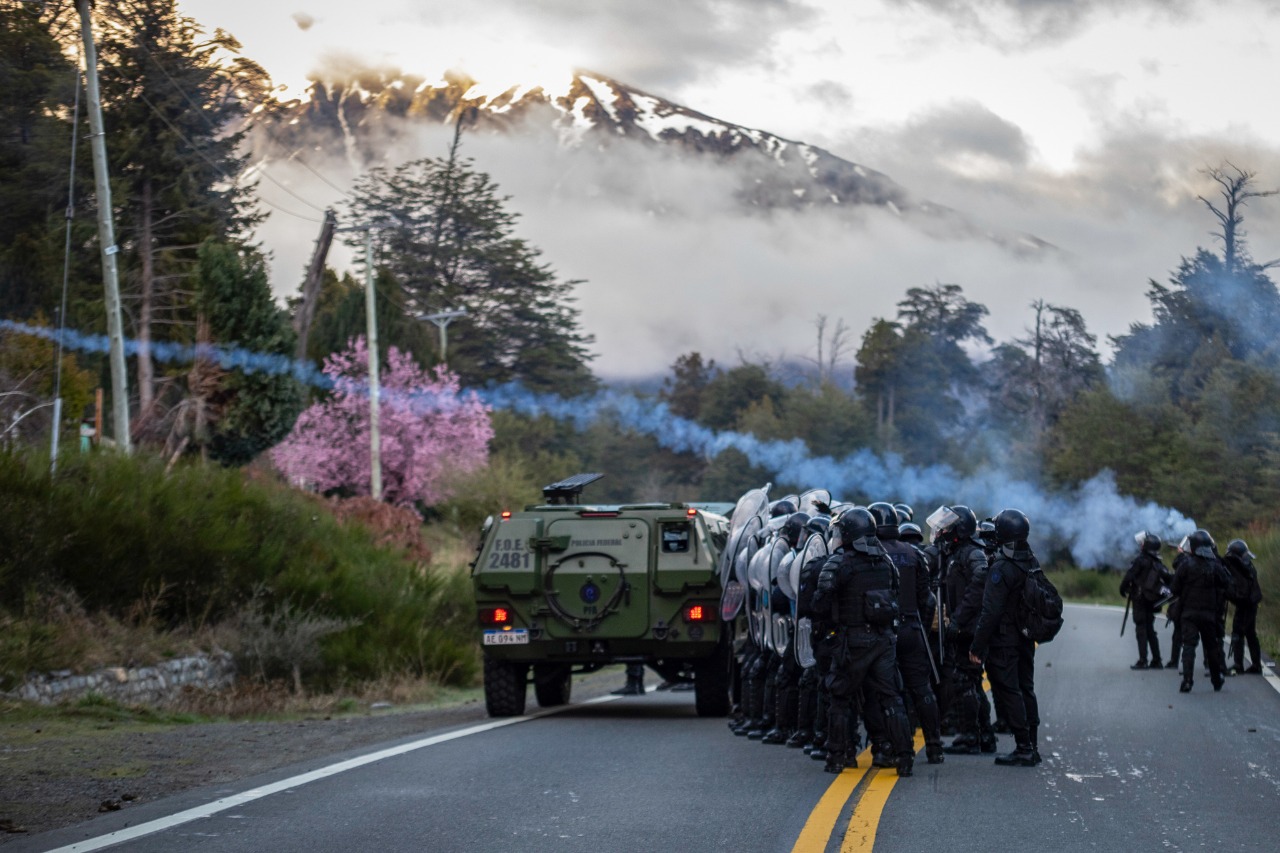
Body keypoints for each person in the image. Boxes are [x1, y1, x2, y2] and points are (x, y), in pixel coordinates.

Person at [812, 508, 914, 776]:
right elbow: (896, 592)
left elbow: (820, 602)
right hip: (883, 641)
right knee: (891, 699)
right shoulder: (885, 561)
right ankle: (904, 757)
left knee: (840, 697)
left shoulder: (841, 562)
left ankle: (838, 756)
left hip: (853, 640)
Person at [870, 502, 944, 765]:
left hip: (884, 633)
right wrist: (918, 623)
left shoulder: (871, 553)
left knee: (887, 693)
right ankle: (935, 746)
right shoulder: (914, 554)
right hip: (912, 628)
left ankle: (894, 748)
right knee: (921, 689)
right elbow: (927, 598)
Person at [970, 508, 1042, 767]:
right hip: (1025, 636)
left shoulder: (1001, 567)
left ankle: (1023, 747)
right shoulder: (1030, 559)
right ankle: (1032, 744)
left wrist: (977, 646)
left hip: (1004, 640)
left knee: (1009, 691)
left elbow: (990, 611)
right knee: (1026, 688)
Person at [933, 505, 996, 755]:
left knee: (965, 681)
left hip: (969, 629)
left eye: (948, 526)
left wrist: (958, 620)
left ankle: (971, 737)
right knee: (970, 681)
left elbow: (979, 584)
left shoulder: (972, 553)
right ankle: (984, 736)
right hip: (966, 626)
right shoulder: (958, 552)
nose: (943, 530)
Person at [1170, 529, 1229, 693]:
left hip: (1189, 613)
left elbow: (1174, 588)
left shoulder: (1185, 564)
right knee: (1212, 647)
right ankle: (1216, 680)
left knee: (1188, 645)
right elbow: (1226, 583)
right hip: (1209, 614)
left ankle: (1187, 681)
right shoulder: (1215, 565)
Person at [1120, 531, 1173, 669]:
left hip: (1140, 600)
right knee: (1150, 630)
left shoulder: (1140, 560)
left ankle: (1143, 660)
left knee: (1141, 630)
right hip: (1152, 601)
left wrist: (1122, 589)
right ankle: (1157, 660)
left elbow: (1129, 577)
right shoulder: (1158, 563)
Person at [1223, 539, 1264, 675]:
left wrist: (1228, 594)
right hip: (1251, 602)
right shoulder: (1247, 564)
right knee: (1250, 633)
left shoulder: (1239, 566)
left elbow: (1238, 590)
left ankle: (1238, 665)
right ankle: (1256, 665)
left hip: (1246, 603)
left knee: (1238, 633)